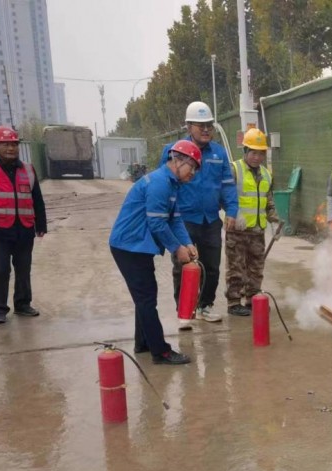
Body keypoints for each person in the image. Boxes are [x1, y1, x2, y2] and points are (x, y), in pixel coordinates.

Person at [110, 140, 202, 365]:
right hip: (129, 246)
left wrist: (187, 242)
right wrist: (177, 249)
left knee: (145, 297)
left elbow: (175, 218)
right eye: (193, 167)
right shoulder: (160, 183)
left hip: (136, 246)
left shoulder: (171, 184)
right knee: (146, 299)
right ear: (178, 161)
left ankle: (143, 343)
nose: (193, 174)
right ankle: (160, 352)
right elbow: (158, 225)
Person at [158, 101, 238, 330]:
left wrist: (231, 210)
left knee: (211, 265)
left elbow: (227, 184)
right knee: (184, 265)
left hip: (210, 219)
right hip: (183, 219)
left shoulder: (219, 153)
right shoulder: (173, 150)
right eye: (200, 125)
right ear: (188, 126)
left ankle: (205, 306)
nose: (206, 130)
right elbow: (165, 181)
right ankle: (184, 309)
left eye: (209, 125)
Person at [0, 126, 47, 324]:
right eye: (5, 144)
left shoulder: (28, 169)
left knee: (23, 269)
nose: (11, 148)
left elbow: (36, 199)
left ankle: (22, 305)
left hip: (24, 228)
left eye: (14, 144)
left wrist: (41, 224)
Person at [225, 128, 280, 316]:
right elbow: (223, 196)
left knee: (256, 267)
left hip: (257, 230)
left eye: (261, 153)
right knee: (236, 268)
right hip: (237, 229)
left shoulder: (266, 174)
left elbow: (269, 201)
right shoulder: (234, 170)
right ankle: (233, 303)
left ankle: (252, 299)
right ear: (245, 151)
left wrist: (274, 222)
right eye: (253, 152)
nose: (257, 157)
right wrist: (234, 213)